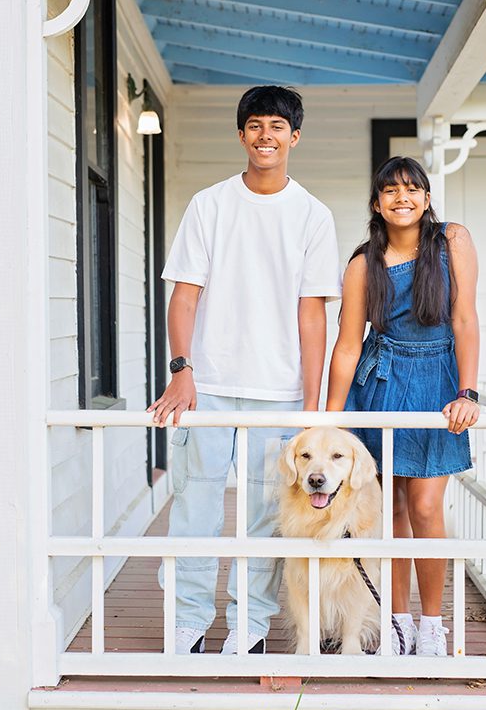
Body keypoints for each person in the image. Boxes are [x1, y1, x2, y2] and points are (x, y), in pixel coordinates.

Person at [147, 85, 342, 656]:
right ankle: (187, 623)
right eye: (255, 125)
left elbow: (313, 315)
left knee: (264, 518)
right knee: (194, 509)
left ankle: (250, 628)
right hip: (205, 388)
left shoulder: (312, 215)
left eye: (277, 127)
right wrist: (182, 369)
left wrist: (311, 405)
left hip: (279, 392)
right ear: (241, 135)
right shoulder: (210, 205)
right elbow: (183, 297)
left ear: (294, 137)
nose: (265, 135)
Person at [326, 156, 479, 658]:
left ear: (427, 198)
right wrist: (331, 422)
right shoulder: (361, 264)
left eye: (412, 188)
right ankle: (396, 620)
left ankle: (431, 623)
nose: (402, 197)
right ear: (376, 204)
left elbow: (464, 319)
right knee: (388, 507)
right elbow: (348, 345)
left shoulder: (452, 241)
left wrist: (468, 392)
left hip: (438, 382)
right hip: (383, 381)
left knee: (426, 506)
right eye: (390, 191)